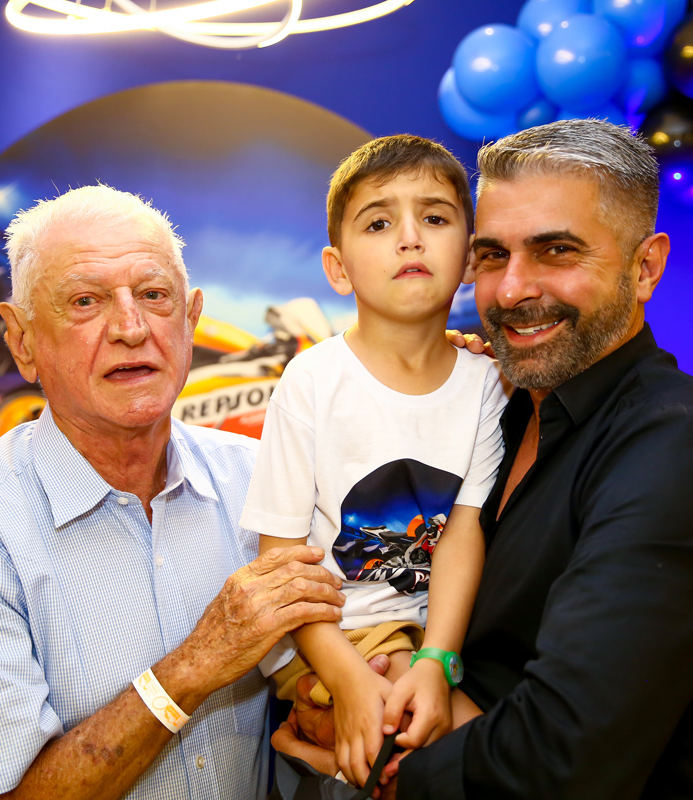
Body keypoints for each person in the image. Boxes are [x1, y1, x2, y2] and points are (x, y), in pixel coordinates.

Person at [276, 119, 693, 799]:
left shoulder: (683, 455)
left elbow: (563, 761)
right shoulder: (500, 409)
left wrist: (374, 759)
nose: (512, 290)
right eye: (491, 256)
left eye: (556, 251)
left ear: (645, 267)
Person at [0, 184, 347, 800]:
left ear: (189, 320)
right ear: (23, 342)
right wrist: (195, 665)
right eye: (85, 301)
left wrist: (321, 710)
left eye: (154, 296)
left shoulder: (258, 479)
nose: (132, 328)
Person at [241, 135, 508, 788]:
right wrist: (348, 680)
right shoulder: (312, 381)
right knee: (449, 749)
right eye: (380, 223)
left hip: (425, 639)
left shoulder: (487, 385)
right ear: (338, 269)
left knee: (487, 745)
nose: (410, 239)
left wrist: (437, 661)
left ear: (470, 256)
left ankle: (335, 754)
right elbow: (282, 564)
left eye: (435, 218)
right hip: (321, 637)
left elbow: (462, 533)